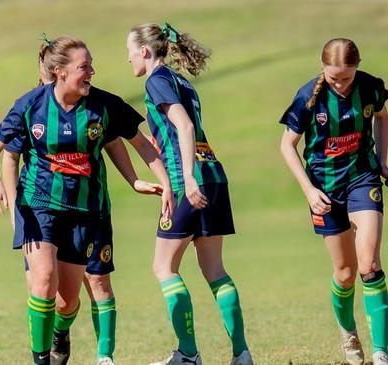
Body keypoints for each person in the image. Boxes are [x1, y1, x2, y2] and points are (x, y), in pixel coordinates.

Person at [0, 35, 172, 365]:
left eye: (91, 65)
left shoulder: (104, 106)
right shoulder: (31, 106)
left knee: (66, 302)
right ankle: (41, 360)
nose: (92, 72)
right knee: (42, 281)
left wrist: (163, 183)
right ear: (60, 71)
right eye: (85, 67)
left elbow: (141, 144)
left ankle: (60, 332)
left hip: (85, 212)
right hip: (38, 205)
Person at [126, 23, 254, 365]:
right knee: (215, 270)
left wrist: (186, 177)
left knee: (164, 267)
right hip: (213, 173)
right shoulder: (181, 81)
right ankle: (242, 354)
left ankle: (187, 354)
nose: (128, 60)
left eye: (129, 52)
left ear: (144, 51)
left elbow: (183, 125)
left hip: (190, 182)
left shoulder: (156, 80)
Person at [280, 38, 388, 365]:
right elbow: (287, 146)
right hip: (324, 189)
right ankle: (348, 332)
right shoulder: (307, 97)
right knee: (344, 273)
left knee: (369, 264)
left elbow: (383, 116)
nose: (340, 84)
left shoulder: (370, 88)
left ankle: (381, 352)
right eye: (333, 77)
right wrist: (309, 192)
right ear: (322, 68)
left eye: (346, 77)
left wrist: (382, 159)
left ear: (357, 68)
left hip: (362, 178)